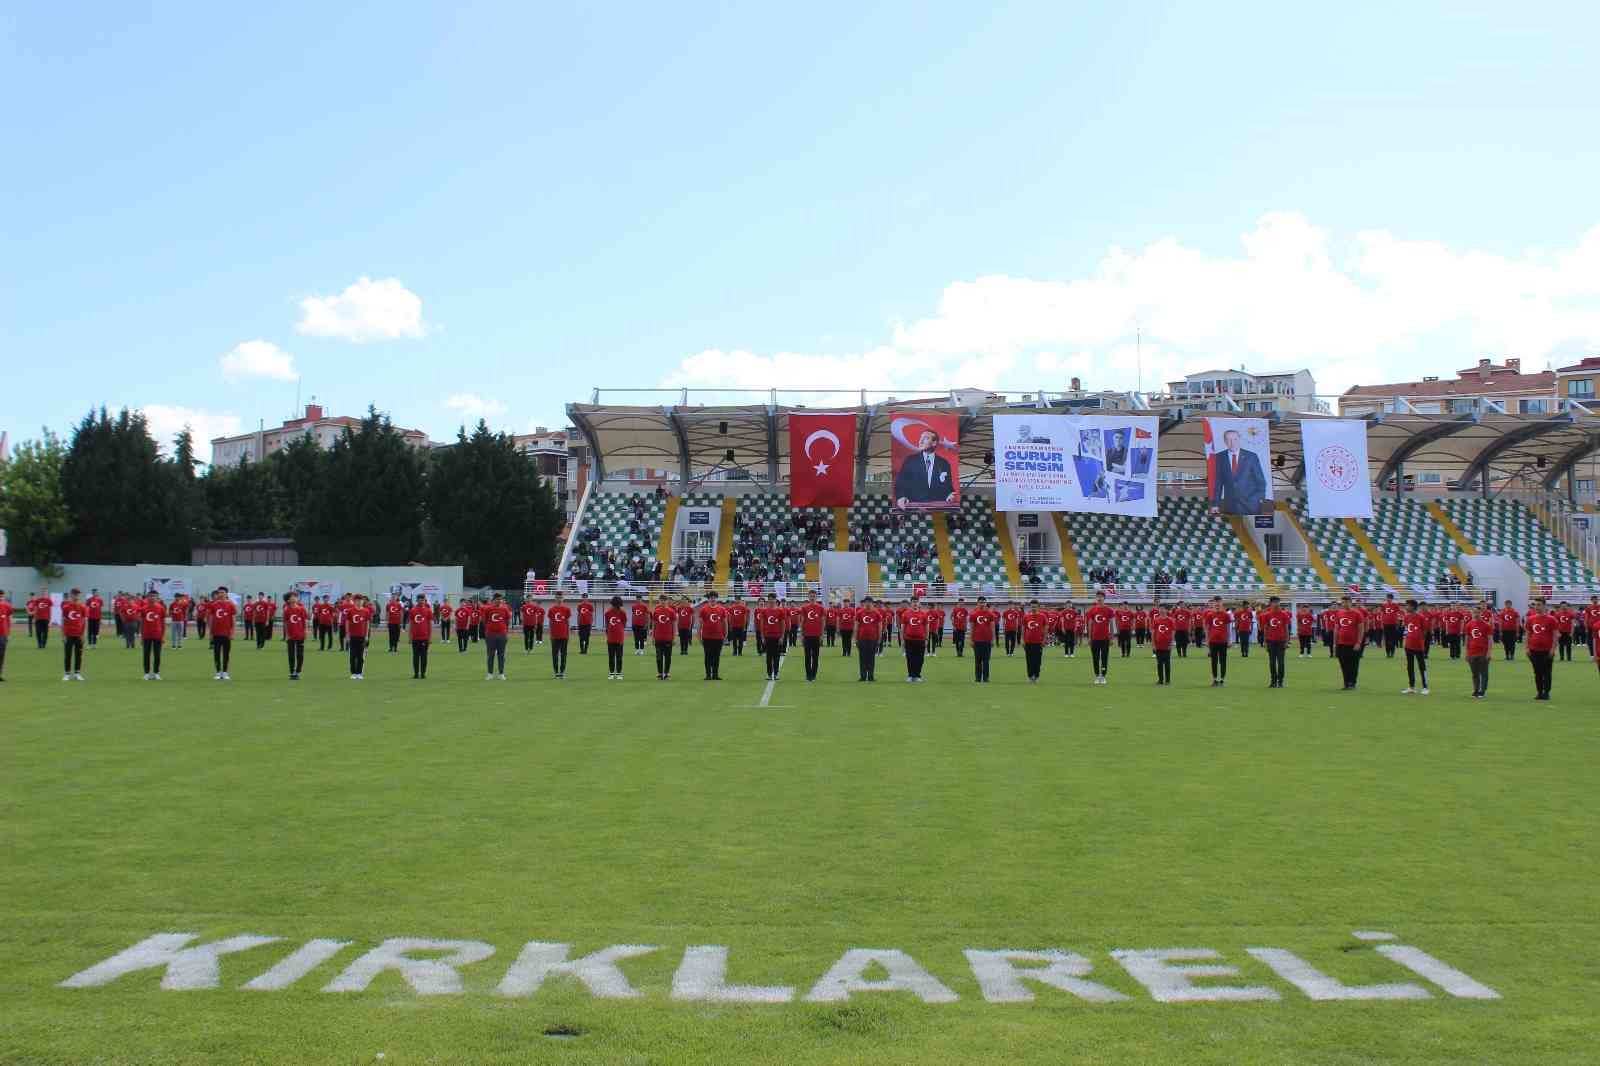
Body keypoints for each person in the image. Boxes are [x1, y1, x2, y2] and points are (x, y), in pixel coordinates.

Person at [893, 427, 956, 508]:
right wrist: (901, 497)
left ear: (934, 443)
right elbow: (900, 483)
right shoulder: (910, 461)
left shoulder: (944, 463)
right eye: (921, 437)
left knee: (940, 521)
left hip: (938, 508)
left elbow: (949, 487)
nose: (921, 441)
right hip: (914, 507)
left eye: (925, 438)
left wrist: (950, 494)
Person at [1209, 427, 1267, 514]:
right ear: (1225, 441)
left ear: (1239, 439)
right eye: (1229, 440)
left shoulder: (1251, 457)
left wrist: (1256, 499)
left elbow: (1261, 482)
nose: (1232, 443)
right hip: (1230, 506)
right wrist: (1215, 504)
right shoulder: (1219, 457)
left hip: (1251, 506)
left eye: (1235, 439)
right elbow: (1218, 483)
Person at [1525, 598, 1556, 701]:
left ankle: (1546, 692)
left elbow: (1555, 635)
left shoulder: (1551, 619)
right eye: (1535, 605)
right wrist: (1527, 647)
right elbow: (1528, 634)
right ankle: (1539, 692)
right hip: (1534, 650)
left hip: (1546, 650)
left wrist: (1552, 649)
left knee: (1547, 672)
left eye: (1539, 605)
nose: (1536, 607)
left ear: (1544, 606)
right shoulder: (1530, 619)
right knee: (1537, 672)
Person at [1332, 595, 1365, 689]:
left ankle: (1352, 683)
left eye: (1346, 602)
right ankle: (1346, 682)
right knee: (1343, 664)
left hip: (1353, 644)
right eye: (1343, 602)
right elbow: (1336, 629)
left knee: (1353, 664)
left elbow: (1361, 629)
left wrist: (1358, 642)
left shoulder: (1357, 613)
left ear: (1350, 602)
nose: (1344, 604)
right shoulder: (1339, 613)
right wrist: (1335, 643)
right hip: (1341, 643)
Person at [1259, 596, 1291, 688]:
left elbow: (1286, 629)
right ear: (1271, 603)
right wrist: (1265, 642)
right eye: (1275, 602)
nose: (1277, 604)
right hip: (1271, 641)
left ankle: (1280, 681)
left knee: (1281, 662)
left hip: (1281, 641)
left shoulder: (1284, 614)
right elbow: (1265, 628)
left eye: (1278, 602)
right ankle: (1273, 681)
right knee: (1272, 662)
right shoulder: (1267, 615)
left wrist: (1287, 641)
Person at [1399, 599, 1429, 695]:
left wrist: (1419, 640)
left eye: (1407, 605)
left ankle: (1425, 687)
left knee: (1421, 666)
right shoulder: (1406, 617)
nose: (1406, 607)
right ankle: (1411, 687)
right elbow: (1406, 629)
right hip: (1408, 645)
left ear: (1412, 607)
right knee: (1410, 666)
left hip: (1418, 646)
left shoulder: (1420, 617)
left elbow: (1425, 631)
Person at [1464, 605, 1494, 699]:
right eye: (1474, 612)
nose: (1475, 614)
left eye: (1477, 612)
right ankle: (1476, 690)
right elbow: (1467, 640)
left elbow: (1490, 640)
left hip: (1483, 652)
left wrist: (1489, 652)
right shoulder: (1469, 625)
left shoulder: (1486, 625)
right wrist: (1467, 653)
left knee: (1484, 673)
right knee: (1475, 673)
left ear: (1481, 613)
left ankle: (1482, 691)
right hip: (1472, 652)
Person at [1084, 592, 1114, 685]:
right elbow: (1089, 624)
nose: (1099, 598)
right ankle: (1097, 676)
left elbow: (1111, 624)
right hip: (1094, 638)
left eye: (1101, 597)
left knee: (1104, 657)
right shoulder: (1092, 610)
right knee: (1095, 658)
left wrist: (1112, 637)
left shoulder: (1109, 610)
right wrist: (1089, 637)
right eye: (1098, 597)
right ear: (1096, 598)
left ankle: (1103, 676)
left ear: (1104, 598)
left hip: (1105, 638)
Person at [1202, 597, 1231, 686]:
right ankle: (1214, 679)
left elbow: (1228, 628)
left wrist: (1229, 640)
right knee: (1213, 661)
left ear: (1222, 603)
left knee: (1223, 661)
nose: (1217, 604)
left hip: (1223, 641)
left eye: (1219, 602)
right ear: (1213, 604)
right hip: (1213, 641)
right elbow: (1207, 629)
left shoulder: (1226, 615)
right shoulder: (1210, 615)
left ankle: (1222, 679)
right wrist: (1207, 640)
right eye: (1216, 602)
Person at [60, 588, 89, 681]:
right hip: (68, 634)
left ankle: (77, 673)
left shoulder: (83, 607)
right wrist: (63, 635)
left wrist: (84, 634)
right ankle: (67, 673)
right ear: (71, 595)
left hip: (79, 634)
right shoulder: (66, 607)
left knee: (79, 654)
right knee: (67, 654)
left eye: (78, 594)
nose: (77, 596)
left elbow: (85, 621)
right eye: (75, 594)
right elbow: (63, 621)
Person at [698, 591, 727, 681]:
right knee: (707, 656)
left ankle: (715, 674)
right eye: (711, 597)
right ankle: (708, 674)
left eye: (714, 597)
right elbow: (700, 624)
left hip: (718, 637)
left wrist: (726, 634)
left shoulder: (722, 609)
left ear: (716, 598)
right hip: (707, 637)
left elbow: (725, 623)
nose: (713, 599)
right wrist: (699, 635)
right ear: (708, 598)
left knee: (716, 656)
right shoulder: (703, 609)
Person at [210, 589, 238, 680]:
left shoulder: (231, 605)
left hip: (226, 633)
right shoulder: (213, 605)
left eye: (223, 592)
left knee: (226, 653)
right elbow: (211, 619)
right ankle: (218, 672)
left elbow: (233, 620)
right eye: (219, 593)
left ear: (226, 594)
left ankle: (225, 672)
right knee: (216, 653)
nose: (221, 594)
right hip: (216, 633)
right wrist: (210, 633)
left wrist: (233, 632)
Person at [483, 594, 512, 680]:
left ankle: (501, 673)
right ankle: (490, 673)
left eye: (500, 599)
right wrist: (490, 629)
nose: (499, 601)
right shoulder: (488, 609)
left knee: (501, 655)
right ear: (493, 600)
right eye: (497, 599)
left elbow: (508, 621)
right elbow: (484, 621)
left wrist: (504, 631)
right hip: (490, 635)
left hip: (502, 635)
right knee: (490, 654)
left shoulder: (505, 609)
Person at [757, 595, 786, 681]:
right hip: (767, 636)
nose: (771, 601)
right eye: (769, 599)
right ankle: (769, 674)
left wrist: (782, 636)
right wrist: (762, 636)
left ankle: (776, 674)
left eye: (772, 599)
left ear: (775, 600)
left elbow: (783, 624)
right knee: (769, 657)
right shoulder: (764, 611)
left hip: (777, 637)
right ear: (768, 601)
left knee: (776, 656)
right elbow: (762, 624)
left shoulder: (780, 611)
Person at [969, 596, 997, 683]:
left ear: (985, 603)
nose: (982, 604)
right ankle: (978, 678)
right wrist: (971, 639)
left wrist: (993, 639)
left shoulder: (990, 614)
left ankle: (986, 678)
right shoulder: (973, 615)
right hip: (977, 640)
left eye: (983, 602)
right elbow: (972, 628)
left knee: (986, 660)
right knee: (977, 660)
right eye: (980, 602)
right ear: (977, 603)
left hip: (987, 640)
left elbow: (992, 627)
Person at [345, 595, 374, 680]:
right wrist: (347, 634)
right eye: (357, 600)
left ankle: (359, 672)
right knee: (352, 655)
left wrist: (366, 635)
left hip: (362, 636)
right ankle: (353, 673)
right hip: (353, 636)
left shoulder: (366, 611)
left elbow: (367, 623)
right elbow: (347, 623)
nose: (359, 602)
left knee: (361, 656)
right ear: (354, 601)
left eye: (360, 600)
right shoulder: (350, 611)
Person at [282, 592, 309, 680]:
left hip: (300, 635)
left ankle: (298, 671)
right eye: (292, 597)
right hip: (291, 636)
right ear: (289, 600)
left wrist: (306, 631)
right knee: (291, 654)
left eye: (295, 596)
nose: (295, 598)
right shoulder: (286, 610)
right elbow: (286, 623)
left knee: (300, 654)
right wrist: (286, 635)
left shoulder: (301, 609)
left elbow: (304, 621)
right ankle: (292, 672)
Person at [800, 592, 825, 682]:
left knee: (815, 657)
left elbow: (822, 622)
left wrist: (822, 635)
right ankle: (808, 675)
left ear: (816, 597)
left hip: (817, 635)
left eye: (814, 596)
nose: (812, 598)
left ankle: (813, 675)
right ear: (808, 597)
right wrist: (801, 634)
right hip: (807, 635)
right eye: (811, 596)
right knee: (807, 656)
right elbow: (802, 621)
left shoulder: (821, 608)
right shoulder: (804, 608)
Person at [1021, 599, 1048, 683]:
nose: (1034, 608)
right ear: (1030, 607)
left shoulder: (1042, 616)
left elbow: (1046, 628)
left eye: (1035, 607)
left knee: (1037, 660)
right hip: (1028, 642)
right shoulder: (1026, 616)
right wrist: (1023, 640)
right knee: (1029, 660)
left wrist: (1044, 639)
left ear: (1038, 607)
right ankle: (1029, 676)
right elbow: (1023, 629)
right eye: (1032, 607)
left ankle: (1036, 676)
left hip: (1038, 642)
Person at [901, 600, 929, 682]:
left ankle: (917, 675)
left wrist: (927, 638)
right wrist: (902, 639)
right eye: (913, 602)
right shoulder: (906, 614)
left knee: (920, 659)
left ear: (919, 604)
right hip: (909, 639)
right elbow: (902, 627)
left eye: (917, 602)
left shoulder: (923, 614)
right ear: (911, 604)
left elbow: (927, 627)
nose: (915, 604)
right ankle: (910, 675)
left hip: (920, 640)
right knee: (910, 658)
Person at [855, 598, 881, 681]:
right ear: (864, 603)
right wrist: (855, 638)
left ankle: (870, 676)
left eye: (870, 602)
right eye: (867, 602)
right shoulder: (859, 613)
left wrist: (879, 639)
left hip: (873, 639)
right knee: (862, 658)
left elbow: (880, 627)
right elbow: (856, 626)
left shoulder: (876, 613)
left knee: (871, 658)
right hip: (862, 639)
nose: (868, 604)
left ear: (872, 603)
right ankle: (862, 676)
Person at [548, 593, 573, 679]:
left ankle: (562, 672)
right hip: (554, 635)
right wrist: (550, 634)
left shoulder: (567, 609)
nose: (559, 599)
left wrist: (568, 633)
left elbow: (568, 622)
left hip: (564, 635)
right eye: (557, 597)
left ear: (563, 599)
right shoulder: (551, 609)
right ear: (555, 599)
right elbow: (550, 622)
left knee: (563, 654)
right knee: (554, 655)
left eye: (560, 597)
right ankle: (556, 672)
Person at [603, 595, 629, 680]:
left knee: (617, 656)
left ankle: (617, 673)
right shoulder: (608, 613)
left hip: (616, 637)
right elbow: (607, 624)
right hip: (613, 637)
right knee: (613, 656)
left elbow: (624, 623)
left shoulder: (622, 613)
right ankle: (613, 673)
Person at [409, 596, 433, 679]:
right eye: (419, 599)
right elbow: (411, 624)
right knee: (415, 656)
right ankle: (416, 673)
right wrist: (410, 637)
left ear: (424, 600)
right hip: (415, 637)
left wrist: (430, 637)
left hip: (424, 637)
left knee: (424, 656)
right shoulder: (413, 610)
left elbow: (430, 625)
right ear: (417, 600)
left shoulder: (428, 610)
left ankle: (423, 673)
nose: (421, 601)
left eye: (422, 599)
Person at [1150, 605, 1174, 685]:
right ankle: (1160, 680)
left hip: (1167, 644)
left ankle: (1167, 680)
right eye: (1160, 609)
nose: (1161, 610)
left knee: (1167, 663)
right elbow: (1153, 632)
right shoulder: (1156, 620)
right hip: (1158, 644)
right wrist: (1153, 644)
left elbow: (1173, 632)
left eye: (1163, 609)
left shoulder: (1170, 620)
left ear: (1166, 610)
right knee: (1159, 663)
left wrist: (1171, 643)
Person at [1378, 594, 1403, 658]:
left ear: (1392, 599)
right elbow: (1382, 614)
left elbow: (1398, 614)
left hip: (1393, 624)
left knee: (1393, 639)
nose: (1388, 599)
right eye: (1387, 598)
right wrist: (1381, 622)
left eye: (1389, 598)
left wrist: (1398, 622)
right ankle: (1387, 653)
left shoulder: (1395, 605)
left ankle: (1392, 652)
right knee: (1387, 639)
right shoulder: (1384, 605)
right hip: (1386, 624)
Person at [0, 589, 10, 681]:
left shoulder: (6, 605)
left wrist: (8, 633)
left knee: (2, 654)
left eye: (2, 596)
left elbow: (9, 619)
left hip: (3, 634)